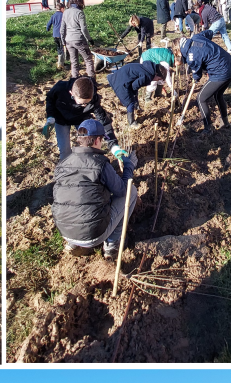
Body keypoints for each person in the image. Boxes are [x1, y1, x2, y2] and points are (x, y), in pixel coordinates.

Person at [52, 120, 140, 260]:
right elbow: (123, 191)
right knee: (132, 192)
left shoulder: (63, 164)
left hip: (64, 230)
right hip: (93, 233)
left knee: (74, 199)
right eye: (102, 139)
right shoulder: (100, 164)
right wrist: (129, 167)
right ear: (98, 139)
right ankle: (111, 245)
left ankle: (73, 243)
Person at [43, 76, 122, 162]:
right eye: (81, 103)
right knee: (64, 150)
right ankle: (66, 171)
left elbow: (104, 123)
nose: (85, 106)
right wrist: (50, 117)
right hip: (61, 119)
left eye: (87, 103)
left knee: (88, 147)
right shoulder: (60, 88)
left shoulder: (93, 100)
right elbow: (50, 99)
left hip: (81, 120)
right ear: (71, 93)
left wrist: (114, 147)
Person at [177, 32, 231, 132]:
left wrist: (195, 79)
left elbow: (197, 74)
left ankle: (208, 128)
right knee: (218, 95)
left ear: (178, 51)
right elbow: (209, 32)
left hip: (221, 73)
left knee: (201, 98)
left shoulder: (191, 55)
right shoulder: (196, 37)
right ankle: (225, 122)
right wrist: (208, 50)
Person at [107, 61, 167, 129]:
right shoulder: (148, 76)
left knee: (133, 96)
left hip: (118, 76)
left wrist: (135, 97)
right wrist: (133, 97)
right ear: (156, 74)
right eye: (158, 79)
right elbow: (134, 86)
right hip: (120, 83)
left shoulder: (148, 68)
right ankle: (132, 123)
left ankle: (136, 108)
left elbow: (135, 85)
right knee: (130, 102)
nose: (156, 81)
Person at [61, 0, 95, 80]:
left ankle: (74, 81)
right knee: (88, 60)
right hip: (79, 39)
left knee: (74, 62)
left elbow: (62, 29)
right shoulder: (79, 12)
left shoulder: (65, 12)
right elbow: (83, 28)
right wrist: (89, 39)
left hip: (68, 40)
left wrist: (63, 42)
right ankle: (92, 82)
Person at [47, 4, 66, 70]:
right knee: (62, 48)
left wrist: (48, 29)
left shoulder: (53, 15)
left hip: (55, 35)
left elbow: (49, 24)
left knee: (58, 47)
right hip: (61, 35)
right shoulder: (63, 15)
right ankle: (61, 63)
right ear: (62, 8)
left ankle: (59, 61)